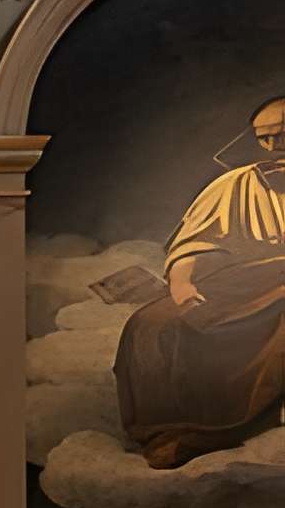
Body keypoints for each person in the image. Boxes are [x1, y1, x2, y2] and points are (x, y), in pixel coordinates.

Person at [117, 96, 285, 468]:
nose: (274, 147)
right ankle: (169, 429)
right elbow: (193, 242)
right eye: (265, 138)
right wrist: (181, 284)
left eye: (282, 135)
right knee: (151, 326)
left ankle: (251, 423)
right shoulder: (232, 185)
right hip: (243, 282)